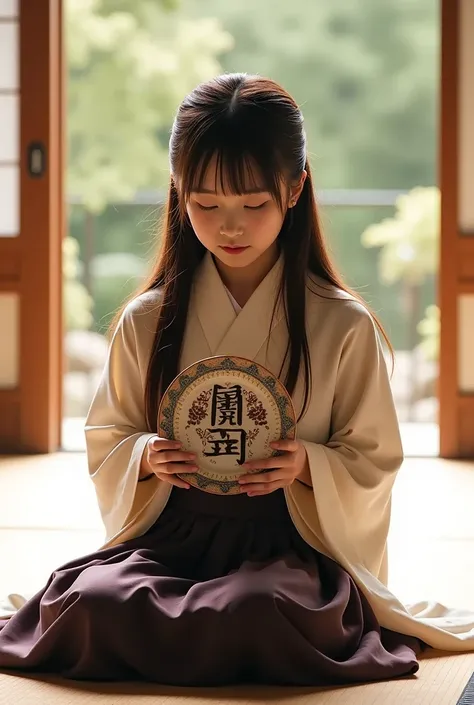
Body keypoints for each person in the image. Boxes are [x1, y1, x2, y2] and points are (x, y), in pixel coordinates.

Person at [1, 73, 474, 686]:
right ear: (178, 191)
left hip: (291, 542)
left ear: (295, 188)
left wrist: (306, 464)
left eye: (253, 205)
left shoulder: (342, 323)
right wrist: (145, 456)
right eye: (205, 204)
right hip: (174, 533)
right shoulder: (149, 319)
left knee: (258, 609)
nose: (231, 227)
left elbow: (374, 460)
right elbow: (108, 432)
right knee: (92, 604)